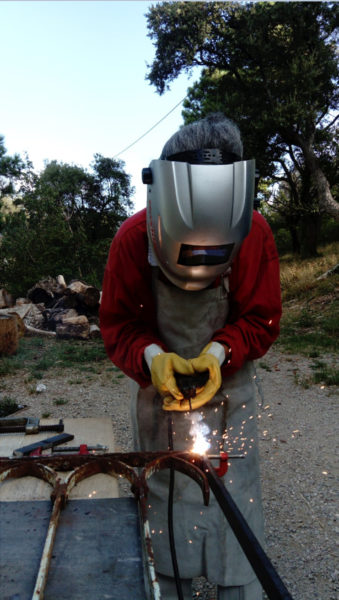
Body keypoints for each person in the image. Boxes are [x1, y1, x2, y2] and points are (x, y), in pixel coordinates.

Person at [100, 113, 282, 600]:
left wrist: (221, 353)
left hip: (231, 389)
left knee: (234, 507)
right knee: (163, 511)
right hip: (158, 397)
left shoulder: (255, 234)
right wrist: (152, 357)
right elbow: (118, 325)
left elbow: (262, 316)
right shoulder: (133, 239)